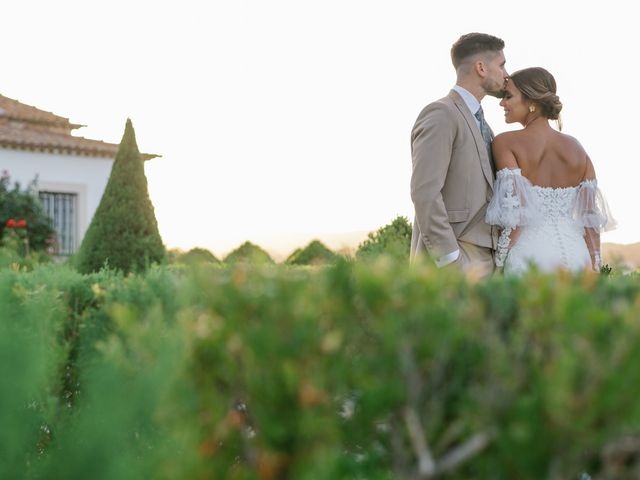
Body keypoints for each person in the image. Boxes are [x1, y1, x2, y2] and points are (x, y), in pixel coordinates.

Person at [485, 67, 616, 274]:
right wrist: (595, 266)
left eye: (508, 96)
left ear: (532, 103)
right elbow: (590, 222)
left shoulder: (505, 143)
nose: (502, 103)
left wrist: (498, 263)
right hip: (576, 256)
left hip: (530, 255)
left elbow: (516, 216)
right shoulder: (577, 148)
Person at [410, 33, 508, 276]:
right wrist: (449, 258)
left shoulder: (487, 127)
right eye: (502, 65)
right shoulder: (441, 114)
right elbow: (425, 191)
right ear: (481, 67)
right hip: (453, 261)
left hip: (487, 262)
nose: (507, 74)